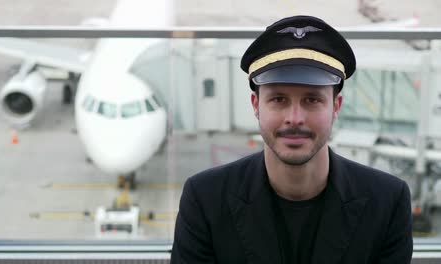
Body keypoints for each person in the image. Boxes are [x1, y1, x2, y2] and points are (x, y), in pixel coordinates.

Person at [170, 15, 413, 264]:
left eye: (312, 100)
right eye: (278, 99)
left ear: (336, 106)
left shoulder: (387, 203)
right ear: (256, 105)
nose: (294, 118)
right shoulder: (205, 200)